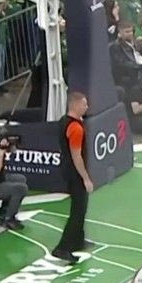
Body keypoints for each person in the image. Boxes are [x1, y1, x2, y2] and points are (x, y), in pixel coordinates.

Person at [52, 91, 92, 261]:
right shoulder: (75, 128)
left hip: (67, 168)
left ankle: (78, 240)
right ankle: (62, 247)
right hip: (74, 173)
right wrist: (86, 178)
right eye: (84, 104)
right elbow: (77, 156)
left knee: (81, 208)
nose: (87, 107)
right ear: (75, 105)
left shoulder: (64, 121)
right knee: (78, 210)